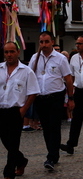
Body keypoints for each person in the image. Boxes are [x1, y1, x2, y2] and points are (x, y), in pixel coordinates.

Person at [28, 31, 74, 170]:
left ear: (52, 42)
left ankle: (51, 157)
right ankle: (53, 152)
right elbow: (29, 77)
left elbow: (68, 79)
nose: (44, 45)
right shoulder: (34, 58)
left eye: (46, 41)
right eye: (41, 42)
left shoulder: (60, 59)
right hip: (40, 98)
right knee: (46, 128)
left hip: (56, 97)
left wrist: (71, 98)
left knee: (54, 127)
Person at [0, 41, 40, 179]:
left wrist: (23, 109)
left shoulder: (26, 71)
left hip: (16, 111)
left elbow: (33, 91)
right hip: (1, 110)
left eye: (12, 51)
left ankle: (8, 173)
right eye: (6, 52)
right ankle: (21, 160)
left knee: (13, 142)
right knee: (6, 141)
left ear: (18, 52)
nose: (9, 55)